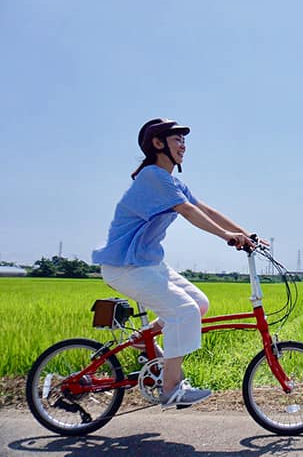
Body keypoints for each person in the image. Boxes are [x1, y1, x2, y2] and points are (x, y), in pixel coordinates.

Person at [92, 118, 266, 409]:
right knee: (183, 312)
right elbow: (186, 210)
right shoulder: (153, 177)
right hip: (124, 266)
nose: (183, 145)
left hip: (147, 263)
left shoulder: (171, 180)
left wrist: (247, 235)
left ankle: (142, 339)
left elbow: (202, 208)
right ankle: (171, 388)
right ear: (158, 144)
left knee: (198, 304)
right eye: (177, 140)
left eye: (185, 140)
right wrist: (226, 236)